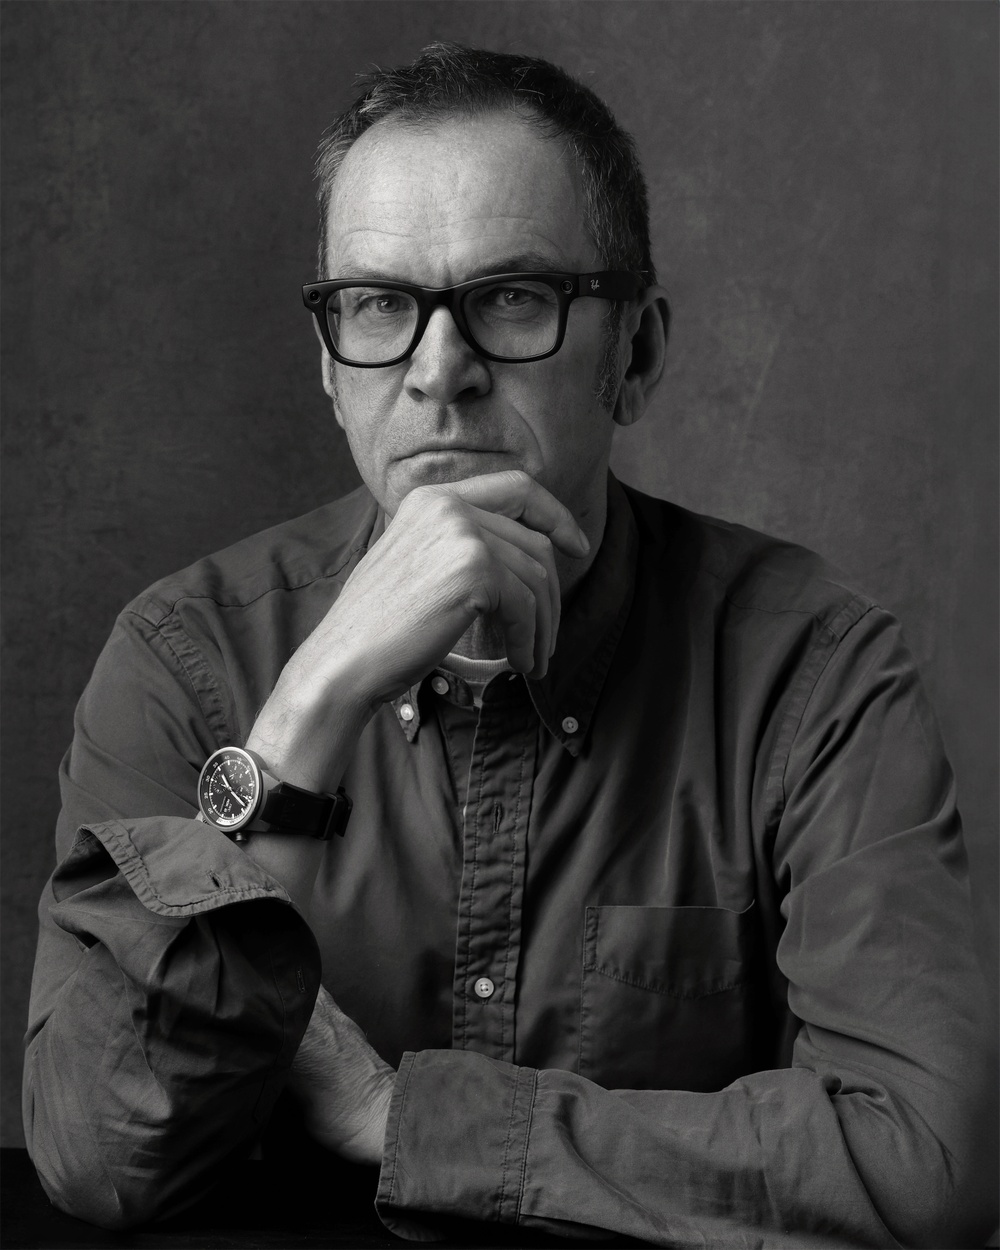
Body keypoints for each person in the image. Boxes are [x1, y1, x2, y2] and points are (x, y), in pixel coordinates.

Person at [22, 43, 995, 1248]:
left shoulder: (815, 673)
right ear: (329, 361)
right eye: (379, 304)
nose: (439, 371)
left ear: (635, 354)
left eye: (513, 297)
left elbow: (925, 1168)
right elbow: (103, 1157)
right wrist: (307, 709)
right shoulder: (183, 657)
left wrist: (399, 1115)